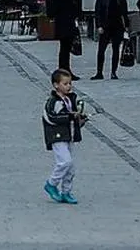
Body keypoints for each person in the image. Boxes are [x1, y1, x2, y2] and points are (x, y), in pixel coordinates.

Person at [43, 68, 87, 204]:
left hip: (70, 135)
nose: (69, 86)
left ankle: (66, 191)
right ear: (56, 85)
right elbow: (51, 117)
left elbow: (73, 119)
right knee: (65, 162)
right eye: (65, 84)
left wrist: (80, 120)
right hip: (57, 136)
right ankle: (51, 183)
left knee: (71, 167)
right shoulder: (53, 102)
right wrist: (70, 116)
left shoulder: (71, 99)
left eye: (69, 83)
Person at [91, 0, 130, 80]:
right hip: (105, 26)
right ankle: (99, 72)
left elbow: (124, 13)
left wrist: (126, 26)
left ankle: (113, 72)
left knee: (116, 49)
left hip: (117, 26)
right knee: (101, 50)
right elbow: (98, 12)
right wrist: (99, 25)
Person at [48, 0, 81, 74]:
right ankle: (64, 70)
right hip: (64, 23)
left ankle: (66, 69)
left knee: (66, 48)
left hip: (67, 22)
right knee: (64, 48)